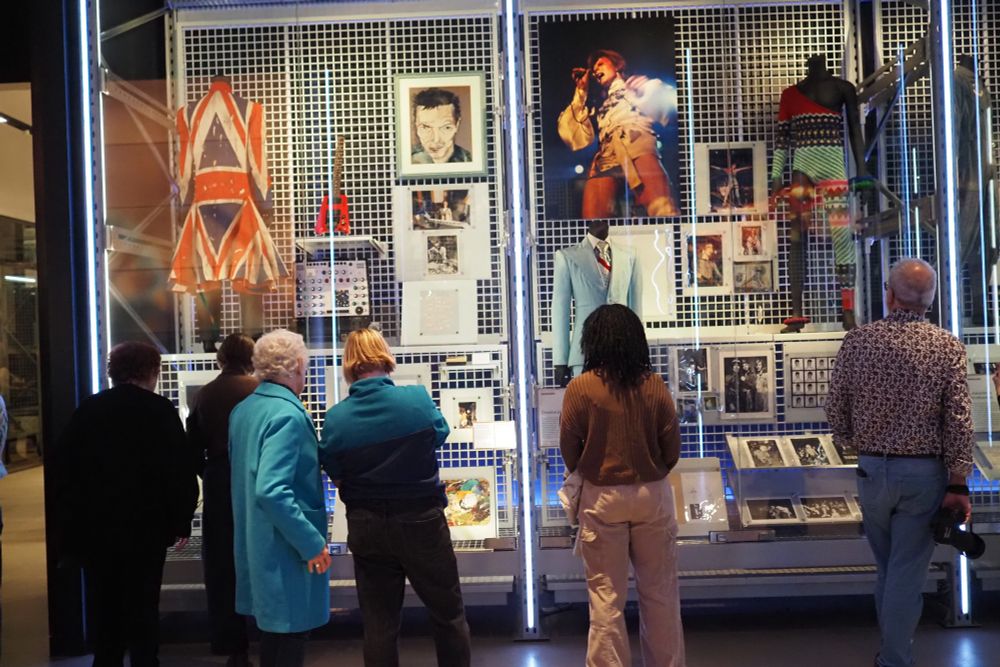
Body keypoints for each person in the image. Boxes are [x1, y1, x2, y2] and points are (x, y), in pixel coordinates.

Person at [826, 258, 974, 667]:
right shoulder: (947, 347)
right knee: (907, 570)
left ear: (889, 293)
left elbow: (835, 407)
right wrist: (958, 482)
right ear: (931, 300)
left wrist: (857, 442)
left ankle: (890, 654)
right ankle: (894, 660)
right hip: (924, 474)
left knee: (888, 567)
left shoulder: (858, 341)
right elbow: (959, 419)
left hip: (872, 471)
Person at [320, 328, 471, 667]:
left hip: (366, 525)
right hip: (422, 522)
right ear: (384, 356)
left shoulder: (336, 419)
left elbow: (333, 467)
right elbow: (440, 435)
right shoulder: (416, 399)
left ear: (349, 364)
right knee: (448, 615)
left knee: (379, 625)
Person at [54, 342, 199, 667]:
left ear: (113, 372)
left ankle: (107, 661)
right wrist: (180, 521)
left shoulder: (89, 409)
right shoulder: (160, 410)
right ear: (151, 371)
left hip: (97, 529)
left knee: (105, 607)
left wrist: (70, 527)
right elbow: (180, 469)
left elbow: (64, 470)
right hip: (146, 529)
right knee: (143, 606)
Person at [559, 304, 685, 667]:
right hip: (652, 495)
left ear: (592, 340)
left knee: (605, 599)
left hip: (602, 497)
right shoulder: (653, 383)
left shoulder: (581, 388)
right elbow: (672, 448)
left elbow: (570, 448)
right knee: (660, 594)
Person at [229, 330, 331, 667]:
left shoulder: (244, 410)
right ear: (299, 364)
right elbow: (272, 490)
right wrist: (311, 543)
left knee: (272, 641)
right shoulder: (287, 415)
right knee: (288, 640)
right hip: (284, 549)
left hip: (256, 545)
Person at [770, 55, 868, 332]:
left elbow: (854, 130)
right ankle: (796, 313)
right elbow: (782, 138)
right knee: (797, 237)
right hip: (804, 168)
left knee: (841, 237)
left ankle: (847, 312)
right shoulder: (790, 94)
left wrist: (862, 169)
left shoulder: (843, 88)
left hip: (831, 168)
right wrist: (776, 176)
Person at [186, 333, 258, 667]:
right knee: (259, 556)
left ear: (221, 359)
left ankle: (231, 644)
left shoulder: (204, 394)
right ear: (251, 357)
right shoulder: (259, 390)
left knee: (221, 564)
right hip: (256, 480)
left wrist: (208, 472)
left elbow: (191, 448)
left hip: (218, 482)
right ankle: (270, 634)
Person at [557, 49, 679, 218]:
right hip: (605, 153)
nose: (595, 69)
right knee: (594, 224)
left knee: (662, 209)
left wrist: (643, 89)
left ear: (617, 65)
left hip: (635, 141)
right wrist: (581, 92)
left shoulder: (633, 85)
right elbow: (572, 134)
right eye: (593, 68)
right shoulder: (597, 105)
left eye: (600, 63)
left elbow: (672, 108)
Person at [551, 218, 642, 387]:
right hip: (583, 351)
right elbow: (560, 310)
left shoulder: (630, 255)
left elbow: (636, 309)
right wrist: (560, 360)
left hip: (623, 351)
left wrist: (638, 351)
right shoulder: (567, 257)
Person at [411, 88, 472, 164]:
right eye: (425, 127)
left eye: (446, 127)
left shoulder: (471, 161)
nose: (436, 139)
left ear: (457, 125)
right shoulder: (406, 161)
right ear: (416, 126)